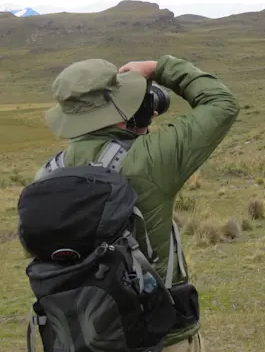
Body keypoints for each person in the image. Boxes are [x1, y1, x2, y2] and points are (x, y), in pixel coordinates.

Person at [33, 55, 240, 351]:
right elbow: (222, 104)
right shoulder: (148, 159)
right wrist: (158, 68)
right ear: (119, 108)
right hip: (159, 336)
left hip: (82, 336)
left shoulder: (45, 176)